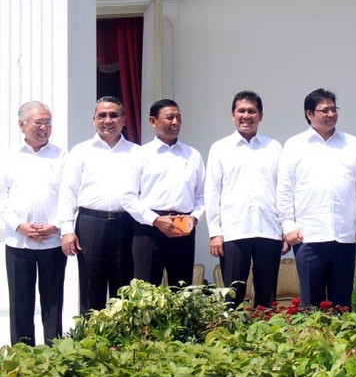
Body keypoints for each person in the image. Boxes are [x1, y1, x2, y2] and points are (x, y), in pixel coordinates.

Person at [277, 88, 356, 307]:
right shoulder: (295, 145)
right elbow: (285, 189)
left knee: (342, 303)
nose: (331, 114)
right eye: (325, 110)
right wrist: (288, 226)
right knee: (311, 304)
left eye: (334, 109)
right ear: (309, 114)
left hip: (344, 235)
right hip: (308, 236)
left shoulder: (351, 143)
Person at [59, 97, 139, 313]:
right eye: (102, 115)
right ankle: (89, 333)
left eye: (114, 115)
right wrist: (67, 230)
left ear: (124, 120)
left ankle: (121, 334)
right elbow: (67, 193)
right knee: (90, 288)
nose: (108, 120)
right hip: (90, 225)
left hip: (126, 225)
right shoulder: (80, 151)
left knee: (124, 289)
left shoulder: (137, 153)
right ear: (93, 120)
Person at [205, 91, 283, 308]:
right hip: (234, 231)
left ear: (261, 116)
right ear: (232, 115)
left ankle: (266, 328)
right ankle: (230, 329)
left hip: (269, 230)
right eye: (241, 111)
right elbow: (211, 192)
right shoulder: (220, 148)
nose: (246, 116)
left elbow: (283, 191)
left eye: (252, 111)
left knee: (267, 295)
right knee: (232, 295)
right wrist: (215, 232)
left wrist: (285, 228)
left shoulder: (274, 147)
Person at [0, 102, 66, 345]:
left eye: (48, 122)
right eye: (39, 122)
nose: (44, 127)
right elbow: (1, 196)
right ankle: (22, 355)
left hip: (52, 240)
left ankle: (55, 352)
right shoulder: (8, 157)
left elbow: (70, 196)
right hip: (18, 241)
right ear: (22, 124)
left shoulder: (62, 156)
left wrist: (55, 225)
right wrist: (19, 225)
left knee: (53, 302)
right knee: (20, 302)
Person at [123, 99, 205, 287]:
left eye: (178, 117)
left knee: (182, 289)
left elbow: (202, 195)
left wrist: (195, 217)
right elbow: (128, 197)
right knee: (146, 291)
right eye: (169, 117)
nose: (175, 122)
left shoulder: (192, 155)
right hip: (149, 227)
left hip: (183, 227)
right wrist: (156, 220)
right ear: (153, 121)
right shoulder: (140, 155)